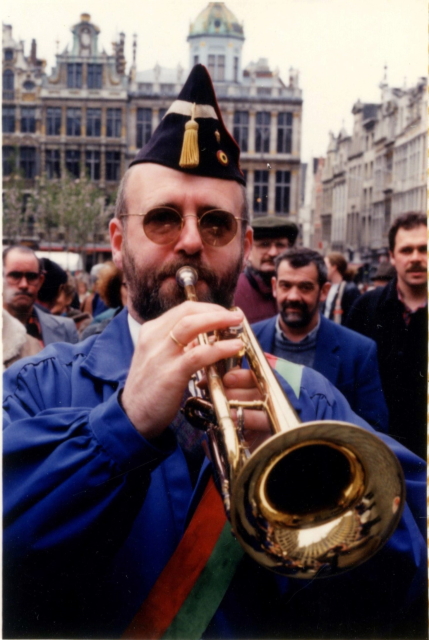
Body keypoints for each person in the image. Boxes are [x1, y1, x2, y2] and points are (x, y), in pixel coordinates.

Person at [3, 65, 426, 640]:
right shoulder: (32, 387)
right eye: (162, 219)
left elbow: (399, 584)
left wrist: (310, 483)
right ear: (119, 240)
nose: (192, 241)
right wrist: (123, 426)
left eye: (217, 223)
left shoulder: (310, 397)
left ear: (246, 247)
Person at [251, 247, 388, 432]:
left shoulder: (359, 351)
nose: (293, 296)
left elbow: (374, 430)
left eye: (305, 287)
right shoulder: (249, 340)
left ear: (324, 291)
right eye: (285, 285)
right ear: (274, 287)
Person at [346, 212, 427, 460]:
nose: (415, 258)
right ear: (392, 256)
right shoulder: (364, 308)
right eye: (406, 250)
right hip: (379, 450)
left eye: (424, 249)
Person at [3, 246, 79, 346]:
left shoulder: (65, 329)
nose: (24, 285)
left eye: (31, 277)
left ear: (40, 281)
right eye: (15, 275)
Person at [234, 216, 298, 323]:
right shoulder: (233, 291)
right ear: (247, 250)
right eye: (264, 245)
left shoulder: (301, 290)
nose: (273, 253)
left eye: (280, 245)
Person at [322, 252, 360, 325]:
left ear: (334, 267)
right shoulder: (327, 287)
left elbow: (353, 317)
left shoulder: (350, 289)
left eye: (325, 266)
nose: (323, 269)